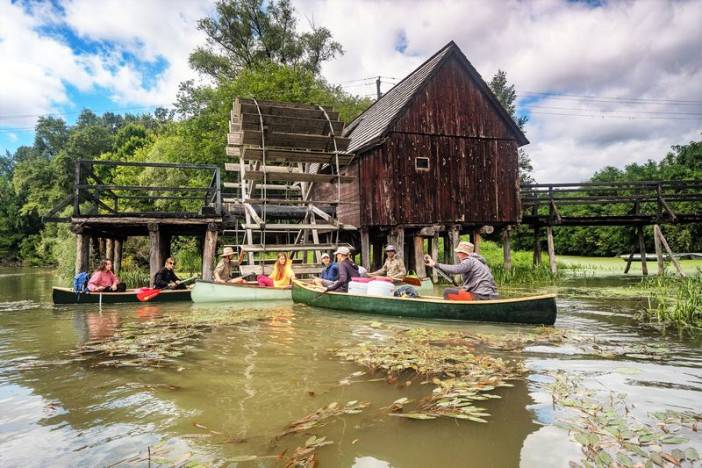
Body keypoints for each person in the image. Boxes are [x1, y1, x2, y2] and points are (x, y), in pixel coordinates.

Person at [424, 241, 498, 300]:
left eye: (458, 252)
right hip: (490, 295)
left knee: (447, 292)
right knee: (458, 289)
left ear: (463, 253)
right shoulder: (480, 262)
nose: (457, 255)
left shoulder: (469, 261)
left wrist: (435, 264)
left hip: (482, 296)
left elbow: (456, 269)